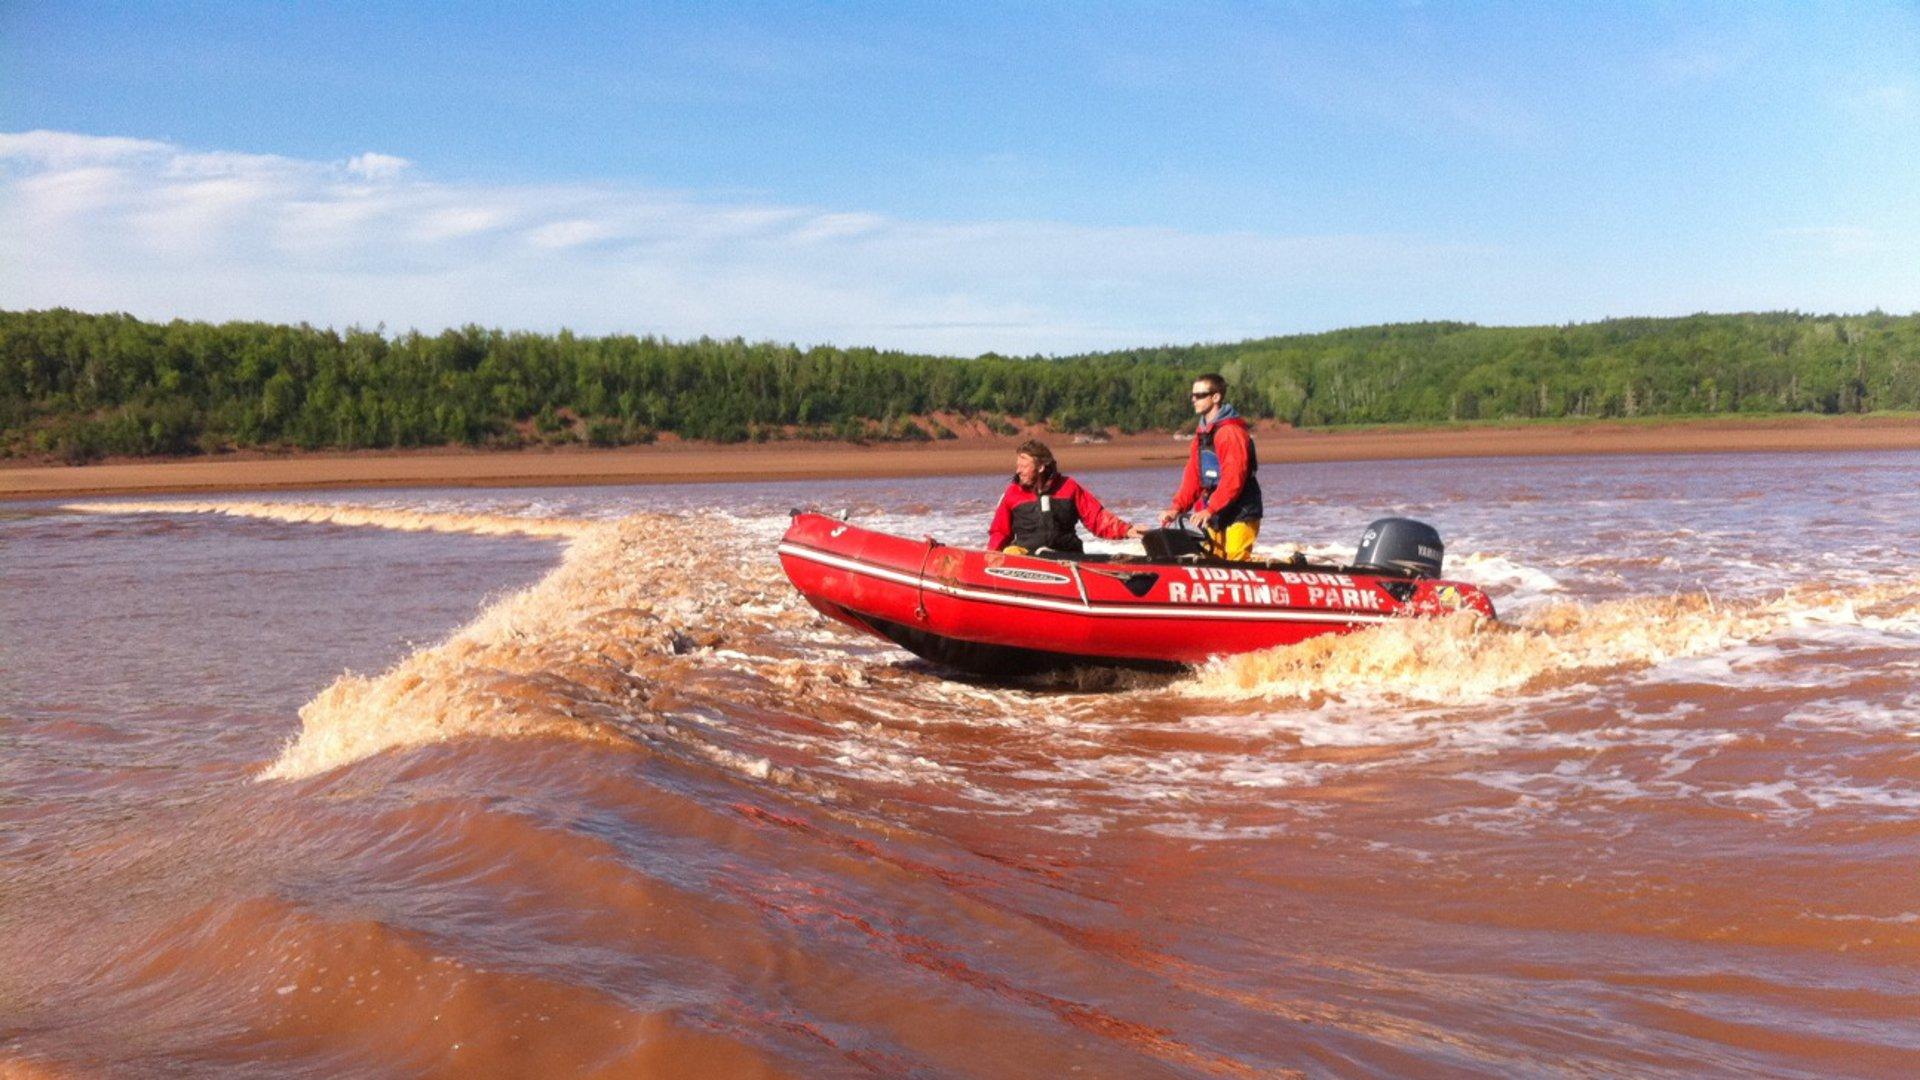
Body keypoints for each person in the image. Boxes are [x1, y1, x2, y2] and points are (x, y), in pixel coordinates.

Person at [1160, 372, 1262, 560]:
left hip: (1241, 510)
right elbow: (1193, 477)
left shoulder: (1230, 433)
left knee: (1236, 559)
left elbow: (1233, 479)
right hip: (1215, 510)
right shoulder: (1202, 436)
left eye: (1199, 395)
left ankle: (1294, 566)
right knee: (1213, 558)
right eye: (1192, 395)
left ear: (1215, 397)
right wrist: (1176, 508)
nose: (1193, 400)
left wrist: (1210, 509)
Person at [987, 440, 1145, 555]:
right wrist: (989, 557)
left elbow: (1096, 517)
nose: (1018, 471)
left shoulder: (1069, 487)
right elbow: (999, 532)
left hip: (1067, 558)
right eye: (1017, 466)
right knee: (1011, 551)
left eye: (1024, 466)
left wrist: (1127, 530)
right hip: (1029, 560)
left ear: (1041, 467)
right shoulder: (1012, 493)